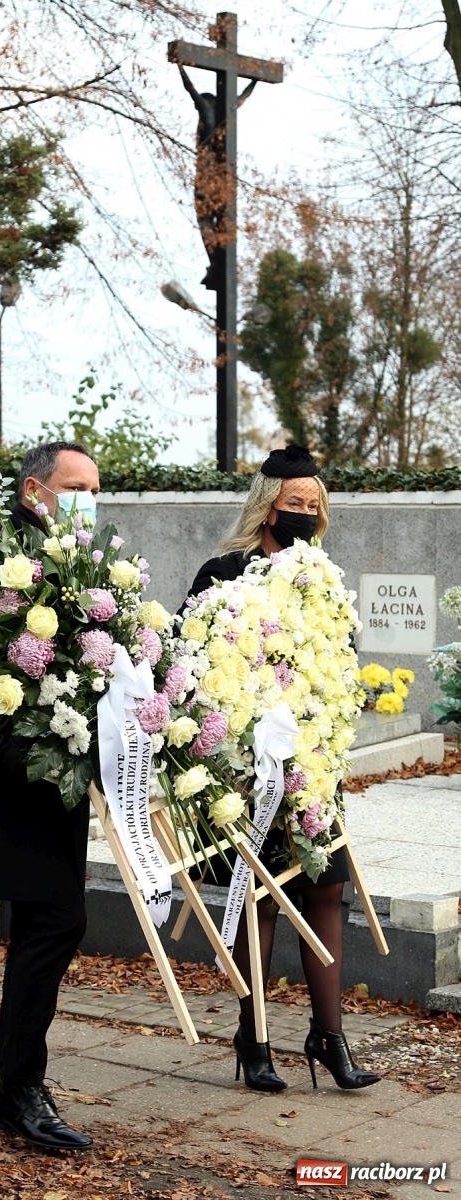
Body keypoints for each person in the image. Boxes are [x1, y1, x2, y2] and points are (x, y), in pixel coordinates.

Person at [184, 443, 380, 1093]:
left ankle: (328, 1037)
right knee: (263, 894)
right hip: (250, 763)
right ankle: (255, 1036)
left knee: (326, 888)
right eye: (294, 503)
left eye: (314, 505)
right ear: (268, 506)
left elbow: (341, 657)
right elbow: (195, 663)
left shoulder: (321, 574)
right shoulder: (224, 572)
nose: (305, 512)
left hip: (313, 761)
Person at [0, 442, 99, 1152]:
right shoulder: (0, 562)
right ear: (36, 489)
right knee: (56, 920)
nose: (89, 498)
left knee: (54, 923)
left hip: (55, 774)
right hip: (15, 773)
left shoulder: (75, 561)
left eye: (97, 487)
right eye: (77, 486)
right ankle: (16, 1091)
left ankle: (17, 1087)